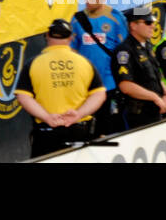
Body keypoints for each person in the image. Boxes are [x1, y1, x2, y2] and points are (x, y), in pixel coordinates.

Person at [15, 18, 105, 158]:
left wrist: (47, 117)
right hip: (79, 130)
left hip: (47, 132)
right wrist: (79, 114)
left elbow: (23, 96)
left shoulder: (33, 64)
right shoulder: (84, 63)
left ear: (47, 36)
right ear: (70, 38)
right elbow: (99, 95)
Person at [68, 0, 128, 136]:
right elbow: (72, 49)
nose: (88, 0)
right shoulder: (77, 19)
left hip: (109, 84)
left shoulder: (116, 18)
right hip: (85, 85)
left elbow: (124, 50)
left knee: (108, 129)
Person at [112, 5, 166, 129]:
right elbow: (126, 86)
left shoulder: (148, 46)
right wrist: (155, 97)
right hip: (137, 116)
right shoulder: (124, 51)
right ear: (133, 25)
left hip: (155, 111)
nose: (153, 26)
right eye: (148, 22)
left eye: (153, 22)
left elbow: (155, 75)